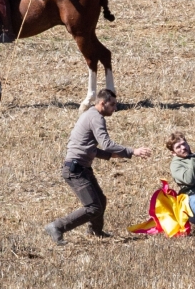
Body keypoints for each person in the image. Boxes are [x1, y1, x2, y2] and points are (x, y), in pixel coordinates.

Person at [44, 89, 151, 245]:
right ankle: (57, 227)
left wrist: (109, 156)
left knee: (100, 200)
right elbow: (107, 144)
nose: (115, 108)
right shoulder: (96, 117)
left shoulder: (89, 115)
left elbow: (87, 147)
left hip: (81, 167)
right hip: (76, 169)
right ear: (102, 103)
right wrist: (133, 151)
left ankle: (95, 230)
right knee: (93, 207)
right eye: (112, 104)